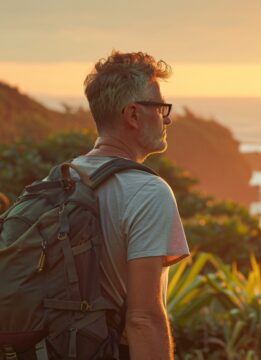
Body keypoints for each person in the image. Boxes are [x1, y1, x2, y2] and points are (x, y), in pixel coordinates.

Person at [70, 51, 190, 359]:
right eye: (161, 108)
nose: (167, 118)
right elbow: (143, 319)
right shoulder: (148, 192)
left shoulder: (59, 179)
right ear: (133, 115)